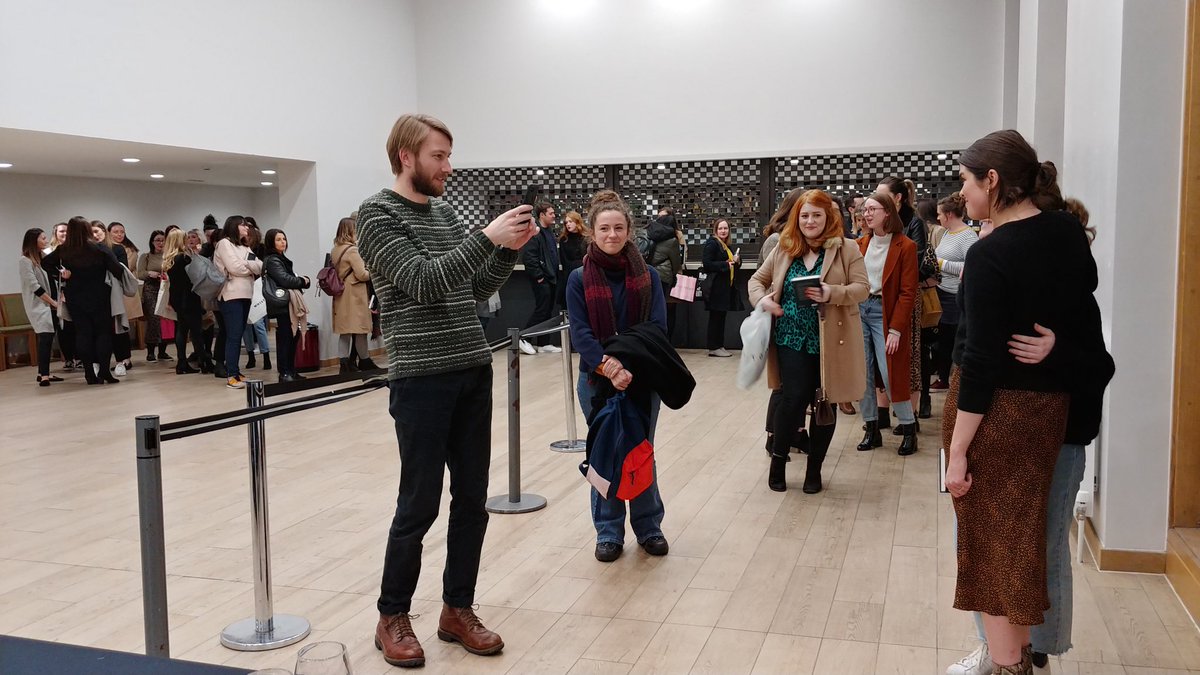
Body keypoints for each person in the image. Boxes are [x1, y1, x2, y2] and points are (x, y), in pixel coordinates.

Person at [357, 113, 535, 669]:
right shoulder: (375, 215)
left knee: (472, 502)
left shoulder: (443, 210)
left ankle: (457, 609)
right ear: (406, 156)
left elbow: (475, 286)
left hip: (470, 368)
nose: (448, 167)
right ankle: (392, 615)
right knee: (418, 504)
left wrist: (507, 249)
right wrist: (486, 237)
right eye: (439, 156)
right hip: (420, 378)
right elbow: (425, 281)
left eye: (449, 156)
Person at [942, 130, 1111, 675]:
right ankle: (1012, 655)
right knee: (1024, 545)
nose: (961, 193)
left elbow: (982, 362)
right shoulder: (1063, 231)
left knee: (996, 549)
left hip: (1005, 418)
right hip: (1050, 414)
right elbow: (1082, 319)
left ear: (992, 180)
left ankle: (1010, 659)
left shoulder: (993, 253)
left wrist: (959, 449)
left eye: (966, 182)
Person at [567, 189, 671, 563]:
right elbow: (581, 333)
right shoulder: (579, 279)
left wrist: (629, 368)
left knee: (641, 451)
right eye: (604, 228)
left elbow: (656, 328)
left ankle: (649, 526)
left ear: (629, 231)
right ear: (592, 232)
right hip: (595, 381)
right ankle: (608, 532)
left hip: (642, 380)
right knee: (604, 452)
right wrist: (610, 367)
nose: (612, 235)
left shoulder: (649, 278)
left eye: (619, 227)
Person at [749, 190, 869, 493]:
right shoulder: (785, 248)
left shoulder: (847, 248)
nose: (810, 221)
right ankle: (778, 459)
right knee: (792, 399)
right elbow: (756, 281)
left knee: (826, 402)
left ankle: (814, 469)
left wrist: (832, 293)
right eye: (804, 215)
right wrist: (764, 301)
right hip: (790, 337)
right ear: (796, 218)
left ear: (828, 217)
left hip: (832, 341)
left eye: (816, 214)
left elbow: (862, 289)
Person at [855, 193, 919, 456]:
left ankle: (908, 428)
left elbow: (908, 293)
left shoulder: (905, 246)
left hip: (886, 314)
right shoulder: (860, 244)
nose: (867, 214)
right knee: (864, 374)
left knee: (891, 372)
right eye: (864, 210)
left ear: (888, 213)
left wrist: (896, 329)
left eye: (872, 209)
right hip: (860, 309)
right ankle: (871, 428)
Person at [42, 217, 124, 384]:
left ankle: (89, 373)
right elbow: (117, 269)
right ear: (87, 230)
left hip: (75, 296)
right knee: (103, 333)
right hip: (99, 295)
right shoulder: (99, 248)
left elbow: (45, 263)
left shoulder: (64, 250)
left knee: (83, 333)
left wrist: (61, 273)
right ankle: (104, 371)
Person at [931, 193, 978, 390]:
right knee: (941, 339)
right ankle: (943, 375)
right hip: (941, 291)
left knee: (949, 339)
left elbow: (972, 267)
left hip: (954, 296)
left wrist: (942, 264)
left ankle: (950, 377)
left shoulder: (968, 236)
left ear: (949, 214)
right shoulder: (947, 233)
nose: (938, 218)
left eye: (940, 214)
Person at [214, 215, 262, 389]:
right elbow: (235, 268)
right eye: (243, 225)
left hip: (246, 294)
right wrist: (248, 267)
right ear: (234, 226)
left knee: (239, 332)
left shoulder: (244, 245)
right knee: (233, 335)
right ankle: (231, 375)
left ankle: (235, 370)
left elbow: (260, 265)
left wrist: (247, 267)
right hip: (230, 295)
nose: (246, 228)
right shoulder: (224, 243)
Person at [262, 228, 311, 382]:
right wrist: (303, 281)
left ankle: (291, 370)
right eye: (278, 239)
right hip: (283, 304)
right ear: (271, 242)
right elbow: (284, 280)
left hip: (288, 303)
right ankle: (285, 373)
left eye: (284, 239)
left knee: (291, 337)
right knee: (286, 338)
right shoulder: (273, 260)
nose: (282, 242)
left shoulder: (281, 259)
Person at [161, 230, 212, 374]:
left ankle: (182, 362)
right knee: (196, 332)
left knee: (182, 330)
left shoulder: (169, 259)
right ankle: (204, 362)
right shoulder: (184, 258)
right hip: (189, 297)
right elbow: (197, 276)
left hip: (176, 298)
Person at [331, 216, 375, 372]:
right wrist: (374, 272)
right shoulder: (352, 250)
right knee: (360, 330)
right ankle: (365, 360)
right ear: (350, 231)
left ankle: (344, 364)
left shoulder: (335, 249)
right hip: (354, 296)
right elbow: (362, 274)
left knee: (345, 332)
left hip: (341, 295)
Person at [18, 228, 61, 386]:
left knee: (49, 338)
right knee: (45, 337)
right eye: (43, 238)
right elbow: (34, 286)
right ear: (34, 241)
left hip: (50, 303)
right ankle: (44, 375)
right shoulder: (25, 261)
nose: (46, 241)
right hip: (39, 305)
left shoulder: (43, 258)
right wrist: (52, 302)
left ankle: (44, 372)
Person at [520, 200, 562, 354]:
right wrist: (539, 277)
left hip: (551, 278)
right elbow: (529, 258)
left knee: (548, 311)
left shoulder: (549, 232)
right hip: (542, 279)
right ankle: (524, 338)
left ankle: (544, 343)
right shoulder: (535, 232)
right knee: (541, 310)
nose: (554, 216)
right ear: (542, 215)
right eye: (551, 213)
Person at [701, 218, 744, 356]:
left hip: (725, 288)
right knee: (716, 317)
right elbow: (707, 264)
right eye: (720, 228)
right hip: (716, 287)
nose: (723, 231)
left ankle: (719, 346)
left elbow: (732, 263)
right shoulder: (712, 244)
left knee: (721, 317)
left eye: (725, 228)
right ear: (715, 230)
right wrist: (725, 265)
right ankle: (714, 347)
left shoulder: (726, 246)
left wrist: (737, 261)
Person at [647, 211, 685, 339]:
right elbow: (676, 263)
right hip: (663, 278)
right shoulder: (672, 240)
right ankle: (665, 340)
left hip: (646, 275)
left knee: (649, 309)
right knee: (664, 310)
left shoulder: (648, 234)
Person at [45, 222, 77, 372]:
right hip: (57, 292)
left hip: (75, 291)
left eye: (67, 231)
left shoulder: (75, 250)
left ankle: (80, 357)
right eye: (62, 231)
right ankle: (69, 358)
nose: (65, 234)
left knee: (76, 325)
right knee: (63, 327)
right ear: (55, 234)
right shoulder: (48, 251)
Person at [108, 221, 138, 374]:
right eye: (116, 232)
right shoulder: (106, 248)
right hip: (110, 293)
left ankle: (126, 358)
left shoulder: (123, 249)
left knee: (122, 325)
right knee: (115, 327)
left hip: (122, 290)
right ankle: (121, 358)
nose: (119, 235)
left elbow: (125, 270)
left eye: (122, 232)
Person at [137, 229, 171, 362]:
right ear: (152, 242)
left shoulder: (168, 256)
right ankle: (150, 351)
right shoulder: (146, 256)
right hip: (151, 289)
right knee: (153, 320)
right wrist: (150, 273)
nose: (160, 243)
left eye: (163, 240)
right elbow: (139, 274)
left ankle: (163, 351)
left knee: (165, 319)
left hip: (165, 289)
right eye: (157, 240)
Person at [240, 226, 271, 371]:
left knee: (259, 324)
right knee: (246, 325)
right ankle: (251, 354)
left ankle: (266, 355)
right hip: (243, 288)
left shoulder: (260, 249)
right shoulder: (239, 249)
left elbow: (261, 268)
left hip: (257, 288)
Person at [557, 210, 587, 309]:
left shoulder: (586, 238)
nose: (568, 224)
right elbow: (564, 261)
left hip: (586, 274)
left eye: (570, 221)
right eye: (566, 222)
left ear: (577, 221)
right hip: (569, 274)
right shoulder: (564, 239)